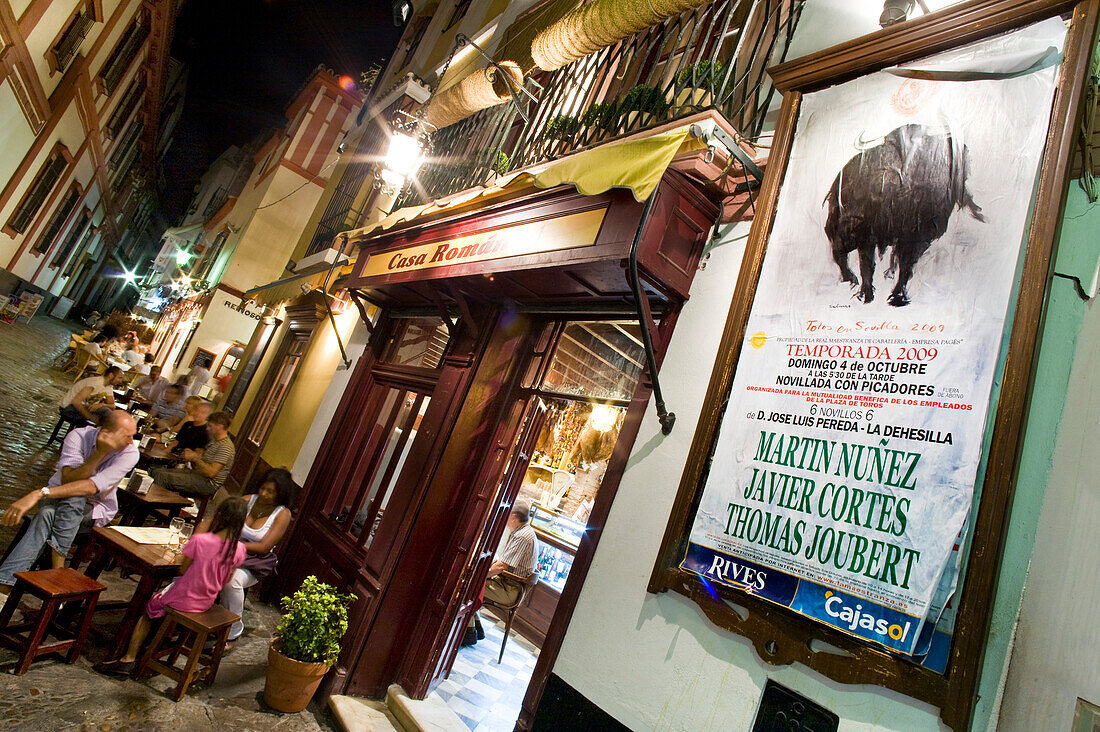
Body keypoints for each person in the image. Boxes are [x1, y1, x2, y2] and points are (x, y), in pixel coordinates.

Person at [93, 497, 248, 677]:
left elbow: (183, 569)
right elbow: (226, 579)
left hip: (183, 597)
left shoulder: (201, 541)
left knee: (148, 609)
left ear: (219, 516)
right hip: (205, 601)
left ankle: (129, 657)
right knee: (165, 599)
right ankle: (159, 642)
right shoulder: (239, 549)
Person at [0, 410, 138, 591]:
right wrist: (99, 454)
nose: (131, 441)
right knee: (65, 502)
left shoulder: (130, 453)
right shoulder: (78, 436)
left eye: (133, 436)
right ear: (105, 432)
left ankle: (6, 586)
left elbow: (90, 487)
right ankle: (57, 570)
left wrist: (39, 493)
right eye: (126, 436)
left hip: (94, 507)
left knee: (49, 513)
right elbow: (69, 480)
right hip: (59, 496)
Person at [218, 468, 293, 644]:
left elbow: (264, 546)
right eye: (263, 489)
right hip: (227, 553)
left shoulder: (282, 514)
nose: (264, 494)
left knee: (231, 580)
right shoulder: (247, 501)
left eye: (270, 492)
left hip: (253, 562)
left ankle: (233, 629)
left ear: (280, 494)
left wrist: (234, 546)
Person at [463, 502, 540, 646]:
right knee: (473, 581)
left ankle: (469, 632)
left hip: (509, 590)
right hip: (509, 585)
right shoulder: (524, 532)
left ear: (513, 516)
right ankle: (475, 627)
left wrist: (477, 575)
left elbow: (501, 566)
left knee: (468, 585)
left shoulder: (522, 536)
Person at [150, 411, 234, 501]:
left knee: (162, 477)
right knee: (156, 471)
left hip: (207, 483)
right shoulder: (215, 441)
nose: (207, 429)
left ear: (220, 427)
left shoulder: (225, 447)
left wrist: (195, 458)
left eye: (210, 426)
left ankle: (153, 505)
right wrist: (191, 456)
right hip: (197, 474)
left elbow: (211, 473)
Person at [59, 366, 126, 425]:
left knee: (109, 416)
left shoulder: (109, 386)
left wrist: (101, 405)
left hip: (85, 407)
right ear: (111, 375)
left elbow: (112, 406)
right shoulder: (95, 383)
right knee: (103, 418)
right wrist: (90, 417)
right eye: (119, 378)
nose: (120, 381)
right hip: (68, 408)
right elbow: (76, 402)